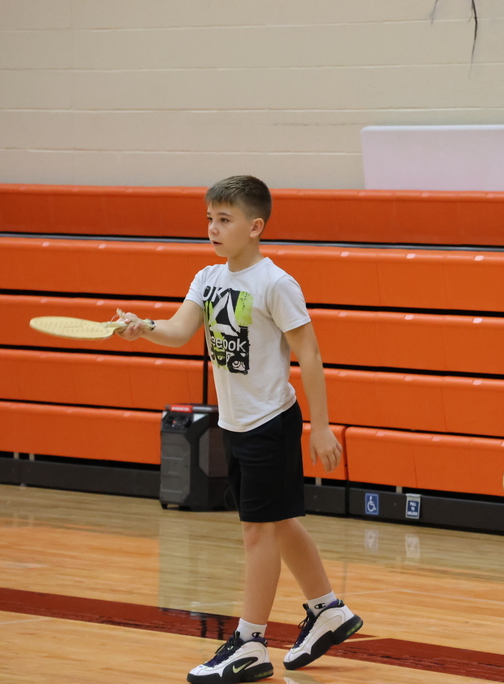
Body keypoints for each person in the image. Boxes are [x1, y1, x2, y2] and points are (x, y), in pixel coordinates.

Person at [116, 175, 362, 682]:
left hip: (271, 422)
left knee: (257, 531)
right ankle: (328, 609)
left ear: (255, 227)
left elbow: (310, 354)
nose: (212, 228)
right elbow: (181, 330)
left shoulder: (276, 283)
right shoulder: (207, 280)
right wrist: (143, 328)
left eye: (224, 219)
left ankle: (250, 641)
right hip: (236, 424)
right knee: (280, 521)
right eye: (209, 218)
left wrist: (321, 428)